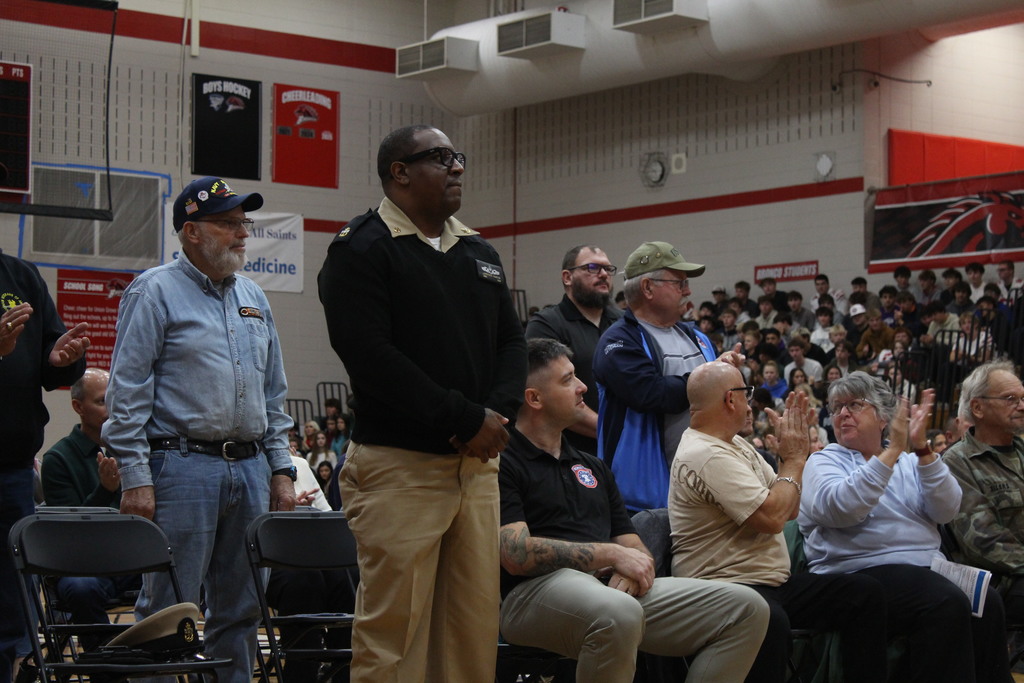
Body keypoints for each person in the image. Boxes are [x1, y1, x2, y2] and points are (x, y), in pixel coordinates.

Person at [317, 125, 527, 683]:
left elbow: (512, 342)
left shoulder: (479, 251)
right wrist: (464, 418)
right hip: (400, 467)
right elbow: (370, 356)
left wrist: (495, 417)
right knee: (395, 635)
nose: (456, 167)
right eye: (439, 158)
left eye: (457, 157)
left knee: (471, 632)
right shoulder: (360, 249)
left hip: (477, 466)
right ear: (399, 173)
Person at [103, 176, 296, 683]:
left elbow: (273, 393)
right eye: (229, 223)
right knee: (168, 612)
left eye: (243, 224)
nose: (242, 234)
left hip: (253, 469)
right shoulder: (154, 291)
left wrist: (281, 468)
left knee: (243, 610)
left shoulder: (253, 295)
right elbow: (127, 391)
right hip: (180, 467)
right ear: (192, 231)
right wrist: (135, 476)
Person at [499, 339, 769, 682]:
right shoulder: (503, 462)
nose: (583, 387)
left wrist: (630, 567)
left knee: (747, 608)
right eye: (568, 380)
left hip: (610, 591)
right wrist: (611, 554)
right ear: (534, 398)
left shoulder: (593, 466)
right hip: (530, 597)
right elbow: (514, 553)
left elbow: (633, 547)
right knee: (618, 612)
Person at [670, 362, 887, 683]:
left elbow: (790, 507)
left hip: (768, 584)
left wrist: (790, 461)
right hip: (722, 588)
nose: (751, 403)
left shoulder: (736, 444)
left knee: (864, 594)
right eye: (747, 394)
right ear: (731, 399)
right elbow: (773, 518)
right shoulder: (704, 453)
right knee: (770, 621)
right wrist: (796, 459)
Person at [799, 372, 1011, 683]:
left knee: (987, 603)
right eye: (836, 407)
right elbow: (840, 509)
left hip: (926, 569)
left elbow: (947, 509)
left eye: (855, 404)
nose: (843, 413)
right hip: (857, 574)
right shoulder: (825, 461)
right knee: (944, 602)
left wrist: (923, 450)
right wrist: (890, 453)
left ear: (884, 416)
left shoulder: (912, 462)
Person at [593, 240, 741, 511]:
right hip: (641, 503)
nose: (688, 290)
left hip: (704, 493)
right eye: (679, 283)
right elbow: (651, 393)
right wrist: (710, 378)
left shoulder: (698, 338)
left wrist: (730, 378)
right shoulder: (618, 341)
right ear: (648, 288)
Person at [0, 252, 89, 683]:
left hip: (12, 469)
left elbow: (54, 358)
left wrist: (63, 359)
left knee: (12, 601)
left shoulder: (19, 275)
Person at [40, 368, 140, 641]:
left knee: (190, 572)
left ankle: (171, 661)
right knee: (81, 589)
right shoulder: (58, 459)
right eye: (100, 401)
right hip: (85, 566)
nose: (111, 408)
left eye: (114, 399)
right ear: (78, 407)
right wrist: (104, 490)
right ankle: (106, 668)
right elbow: (68, 531)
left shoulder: (133, 449)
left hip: (135, 560)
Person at [944, 361, 1024, 622]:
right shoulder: (958, 462)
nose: (1021, 406)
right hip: (1000, 582)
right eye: (1011, 399)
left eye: (1023, 398)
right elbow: (983, 541)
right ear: (977, 407)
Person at [525, 244, 621, 454]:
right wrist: (611, 431)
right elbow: (550, 396)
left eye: (608, 269)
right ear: (567, 277)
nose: (604, 274)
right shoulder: (546, 324)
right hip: (573, 452)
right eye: (593, 268)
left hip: (624, 447)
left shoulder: (622, 322)